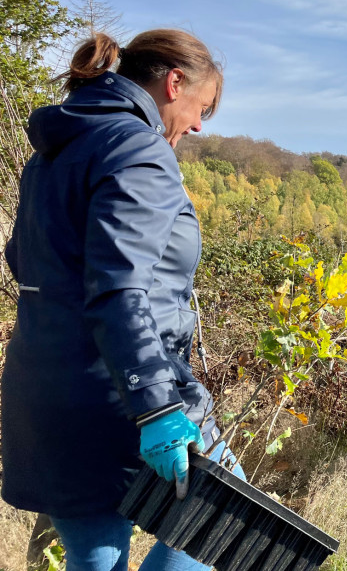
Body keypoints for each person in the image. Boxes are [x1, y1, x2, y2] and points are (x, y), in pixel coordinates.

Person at [2, 29, 240, 571]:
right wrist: (157, 407)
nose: (200, 125)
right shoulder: (138, 149)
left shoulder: (56, 147)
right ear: (174, 82)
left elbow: (24, 260)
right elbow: (119, 288)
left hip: (42, 391)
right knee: (221, 525)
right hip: (119, 396)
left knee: (93, 556)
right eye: (202, 107)